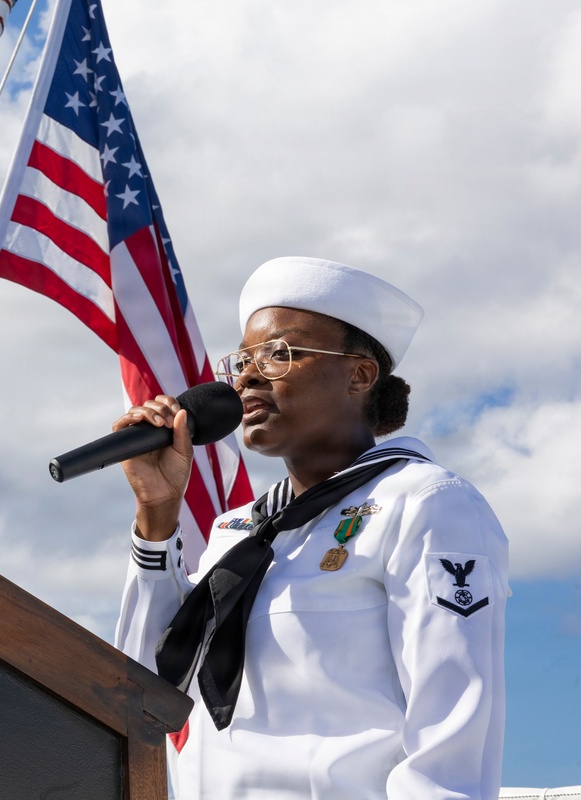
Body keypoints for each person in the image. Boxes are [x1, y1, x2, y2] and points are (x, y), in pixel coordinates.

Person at [113, 257, 509, 799]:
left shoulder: (423, 504)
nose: (248, 375)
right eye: (245, 359)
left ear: (360, 374)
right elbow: (142, 684)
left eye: (280, 354)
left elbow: (454, 730)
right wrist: (158, 516)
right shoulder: (238, 532)